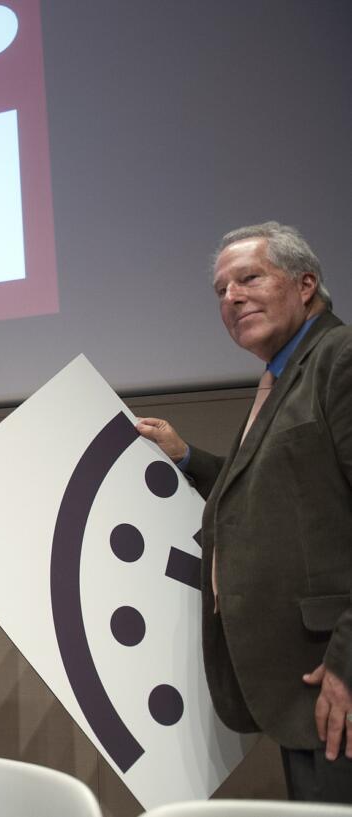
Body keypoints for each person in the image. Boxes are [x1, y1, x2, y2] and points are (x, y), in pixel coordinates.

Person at [137, 221, 352, 802]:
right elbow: (272, 492)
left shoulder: (341, 358)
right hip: (298, 685)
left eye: (249, 278)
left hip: (335, 677)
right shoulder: (279, 377)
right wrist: (185, 457)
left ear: (305, 284)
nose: (231, 297)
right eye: (220, 290)